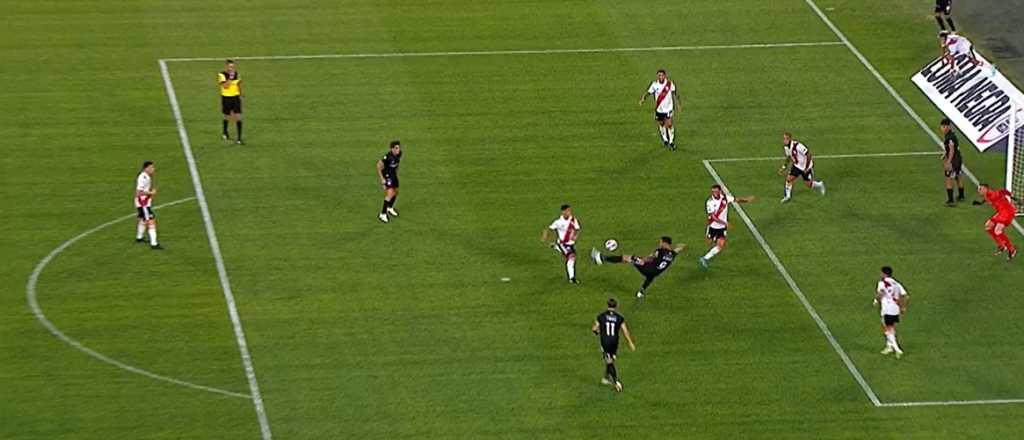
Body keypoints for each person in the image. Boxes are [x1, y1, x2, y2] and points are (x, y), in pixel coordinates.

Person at [591, 236, 685, 298]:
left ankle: (602, 259)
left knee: (627, 258)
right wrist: (679, 247)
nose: (659, 244)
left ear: (664, 243)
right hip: (656, 272)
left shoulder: (660, 251)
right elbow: (679, 248)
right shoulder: (672, 254)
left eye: (661, 242)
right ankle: (641, 292)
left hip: (647, 268)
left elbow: (648, 258)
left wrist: (638, 260)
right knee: (650, 277)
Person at [699, 184, 754, 268]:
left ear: (720, 191)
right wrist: (725, 223)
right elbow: (713, 217)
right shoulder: (710, 202)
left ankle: (705, 258)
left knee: (721, 245)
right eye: (713, 191)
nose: (714, 193)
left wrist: (746, 200)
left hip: (722, 228)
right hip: (713, 226)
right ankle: (711, 240)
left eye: (716, 191)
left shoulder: (725, 198)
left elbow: (736, 200)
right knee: (708, 243)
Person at [592, 298, 636, 392]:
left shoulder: (601, 316)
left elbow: (595, 329)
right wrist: (630, 343)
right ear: (616, 306)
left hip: (605, 342)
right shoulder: (619, 318)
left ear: (607, 305)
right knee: (610, 360)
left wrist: (598, 331)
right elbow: (625, 331)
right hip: (614, 343)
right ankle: (606, 378)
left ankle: (616, 382)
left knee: (609, 361)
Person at [973, 184, 1018, 261]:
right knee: (988, 226)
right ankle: (1002, 246)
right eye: (978, 189)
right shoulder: (986, 195)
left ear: (986, 188)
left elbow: (1002, 191)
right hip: (1001, 212)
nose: (979, 191)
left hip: (1007, 212)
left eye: (981, 188)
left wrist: (1012, 197)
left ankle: (1012, 249)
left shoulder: (993, 194)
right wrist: (980, 203)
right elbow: (987, 199)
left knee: (997, 231)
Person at [639, 69, 681, 151]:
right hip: (659, 109)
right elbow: (648, 92)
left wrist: (678, 104)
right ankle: (665, 139)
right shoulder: (654, 85)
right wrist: (643, 98)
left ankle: (671, 142)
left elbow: (675, 93)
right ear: (657, 76)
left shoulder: (669, 84)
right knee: (661, 124)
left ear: (665, 76)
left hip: (668, 108)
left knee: (669, 124)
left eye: (662, 75)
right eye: (659, 75)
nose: (660, 77)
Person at [778, 132, 825, 203]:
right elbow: (788, 157)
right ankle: (787, 196)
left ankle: (820, 185)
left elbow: (808, 155)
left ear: (790, 139)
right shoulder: (786, 148)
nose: (785, 140)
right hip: (797, 166)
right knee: (789, 179)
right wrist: (784, 167)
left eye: (786, 138)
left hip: (806, 167)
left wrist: (806, 168)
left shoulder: (798, 146)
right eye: (784, 139)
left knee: (808, 185)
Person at [541, 204, 581, 284]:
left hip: (571, 244)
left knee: (571, 259)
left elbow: (578, 229)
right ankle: (572, 278)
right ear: (563, 212)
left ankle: (556, 247)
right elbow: (549, 229)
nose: (569, 212)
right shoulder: (558, 222)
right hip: (563, 243)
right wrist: (544, 236)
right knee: (571, 257)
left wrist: (575, 236)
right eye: (567, 211)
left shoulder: (573, 220)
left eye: (569, 211)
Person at [874, 266, 908, 359]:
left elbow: (880, 294)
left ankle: (897, 349)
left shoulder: (882, 283)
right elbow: (904, 295)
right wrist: (903, 307)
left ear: (884, 274)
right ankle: (889, 347)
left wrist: (876, 300)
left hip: (887, 309)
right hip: (895, 309)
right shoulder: (896, 283)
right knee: (891, 327)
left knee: (886, 329)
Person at [134, 161, 162, 250]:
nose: (153, 169)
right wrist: (151, 192)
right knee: (151, 221)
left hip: (144, 202)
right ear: (146, 168)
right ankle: (154, 244)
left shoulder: (146, 176)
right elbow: (138, 192)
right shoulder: (143, 177)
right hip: (143, 203)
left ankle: (139, 237)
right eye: (151, 167)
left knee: (143, 219)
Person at [940, 118, 965, 205]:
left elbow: (951, 150)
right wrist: (944, 153)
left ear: (948, 126)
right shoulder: (951, 135)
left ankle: (950, 200)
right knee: (958, 176)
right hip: (958, 159)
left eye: (944, 127)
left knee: (948, 178)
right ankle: (961, 196)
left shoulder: (949, 137)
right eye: (942, 127)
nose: (942, 129)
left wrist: (948, 161)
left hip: (954, 160)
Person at [218, 60, 244, 144]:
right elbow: (225, 86)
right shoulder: (221, 75)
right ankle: (225, 131)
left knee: (238, 117)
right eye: (229, 66)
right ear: (226, 67)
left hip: (235, 98)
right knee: (227, 116)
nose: (231, 68)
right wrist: (230, 78)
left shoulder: (237, 74)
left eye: (232, 67)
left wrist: (241, 94)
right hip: (226, 98)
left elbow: (239, 84)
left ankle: (239, 138)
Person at [376, 140, 402, 223]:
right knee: (390, 193)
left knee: (396, 192)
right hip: (387, 176)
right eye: (396, 148)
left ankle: (389, 208)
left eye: (398, 148)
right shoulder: (387, 157)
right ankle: (382, 214)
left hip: (393, 175)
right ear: (392, 149)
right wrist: (382, 179)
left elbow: (397, 164)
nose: (398, 150)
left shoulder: (399, 154)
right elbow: (378, 166)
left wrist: (396, 174)